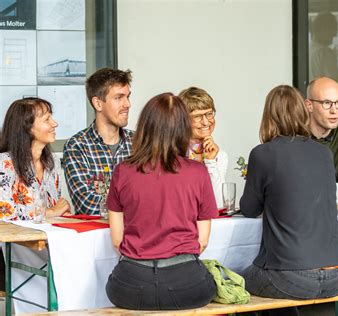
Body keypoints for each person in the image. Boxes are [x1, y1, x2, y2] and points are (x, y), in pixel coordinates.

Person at [240, 85, 338, 316]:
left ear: (268, 116)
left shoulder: (262, 154)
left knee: (237, 280)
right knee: (282, 281)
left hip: (292, 276)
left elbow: (249, 208)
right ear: (303, 111)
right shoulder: (324, 153)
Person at [105, 93, 217, 310]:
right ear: (183, 128)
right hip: (187, 285)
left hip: (130, 286)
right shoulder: (198, 172)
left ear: (145, 126)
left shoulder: (123, 171)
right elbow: (201, 242)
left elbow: (118, 241)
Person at [63, 68, 133, 215]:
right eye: (119, 97)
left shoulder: (140, 143)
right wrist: (135, 204)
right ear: (98, 104)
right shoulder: (77, 146)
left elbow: (155, 196)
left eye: (127, 97)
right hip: (95, 237)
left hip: (135, 236)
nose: (127, 104)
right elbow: (87, 205)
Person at [0, 97, 71, 220]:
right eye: (47, 119)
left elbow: (56, 208)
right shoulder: (4, 163)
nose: (54, 124)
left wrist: (61, 213)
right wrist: (51, 212)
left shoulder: (52, 161)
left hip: (47, 237)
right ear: (28, 128)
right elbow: (4, 215)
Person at [305, 76, 338, 200]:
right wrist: (336, 192)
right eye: (327, 103)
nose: (334, 110)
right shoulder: (294, 134)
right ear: (309, 105)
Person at [178, 87, 228, 208]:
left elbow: (219, 204)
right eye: (198, 116)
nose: (206, 122)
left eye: (209, 114)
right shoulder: (173, 151)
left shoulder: (219, 155)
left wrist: (210, 162)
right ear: (183, 120)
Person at [308, 12, 338, 82]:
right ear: (322, 29)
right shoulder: (325, 52)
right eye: (333, 30)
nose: (335, 35)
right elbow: (334, 85)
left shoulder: (307, 50)